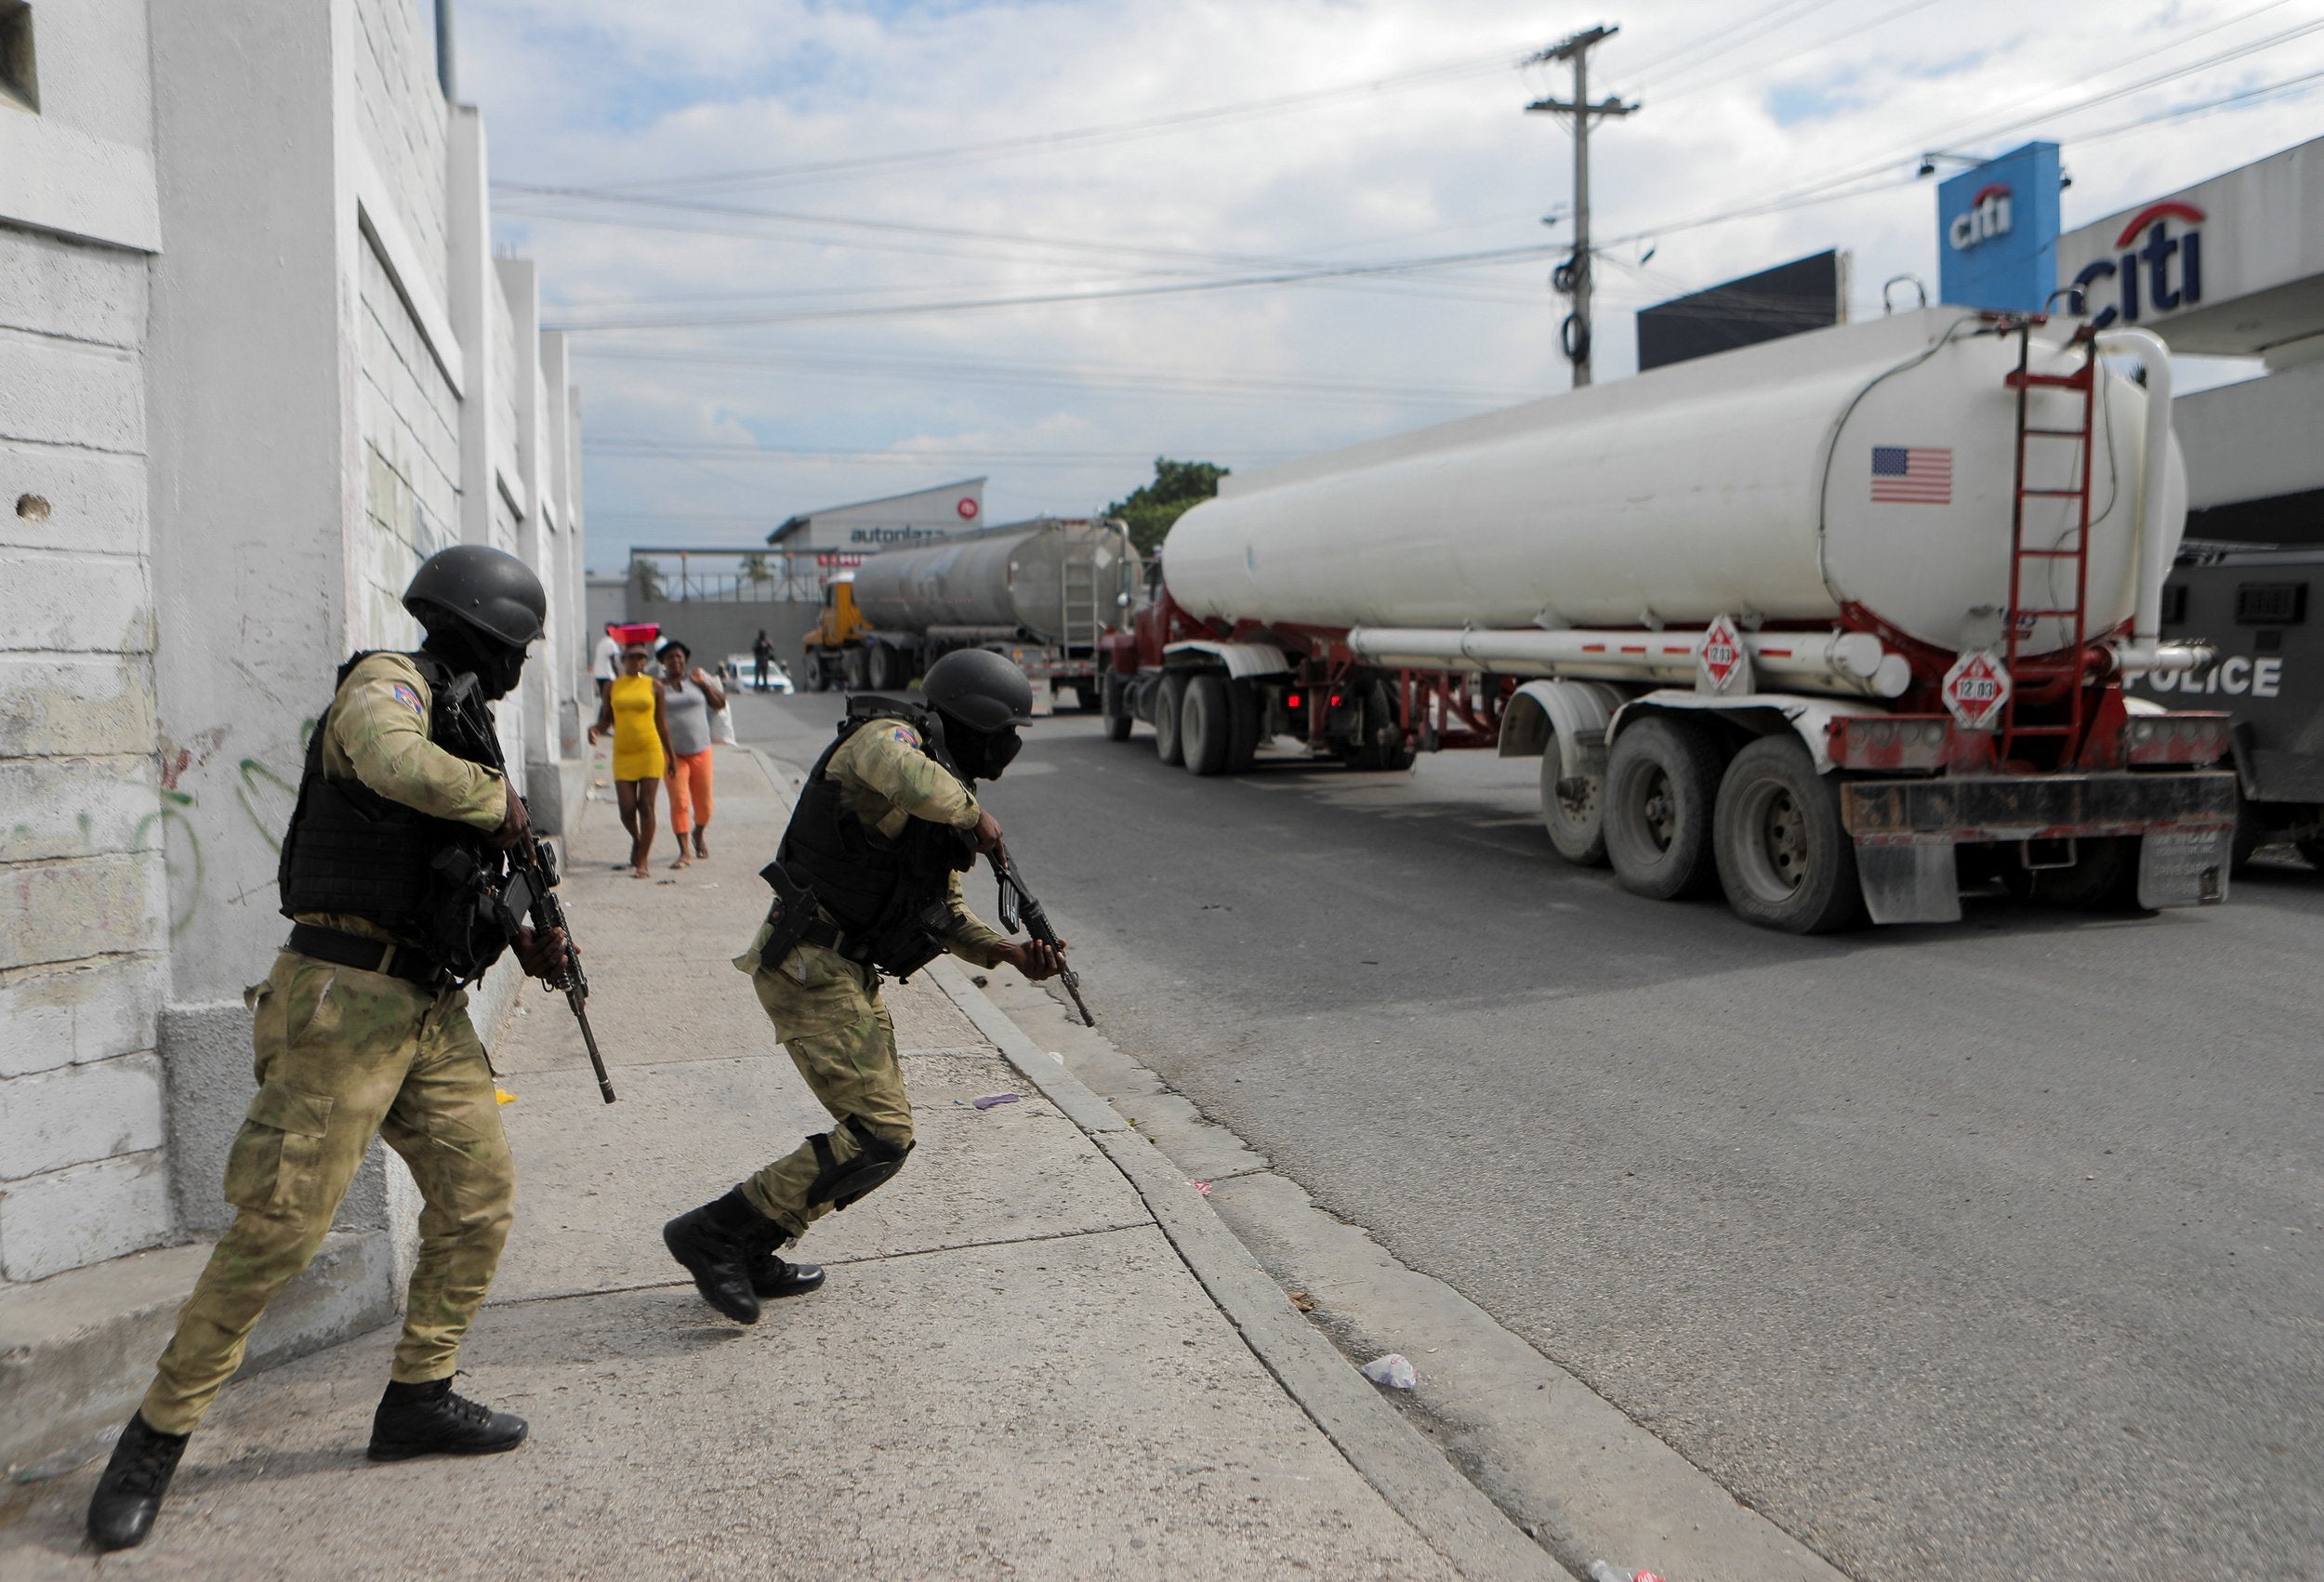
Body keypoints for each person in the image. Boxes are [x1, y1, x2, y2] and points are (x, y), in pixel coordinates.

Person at [86, 546, 573, 1552]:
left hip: (426, 1008)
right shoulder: (386, 683)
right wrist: (499, 804)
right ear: (491, 633)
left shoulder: (465, 713)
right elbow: (389, 761)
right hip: (342, 1000)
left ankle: (418, 1398)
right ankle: (156, 1437)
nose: (521, 661)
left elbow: (449, 871)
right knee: (279, 1228)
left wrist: (523, 923)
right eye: (519, 643)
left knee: (477, 1200)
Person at [662, 650, 1066, 1325]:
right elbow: (901, 774)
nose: (1014, 746)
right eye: (1007, 729)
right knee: (880, 1134)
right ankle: (715, 1231)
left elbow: (943, 910)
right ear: (972, 721)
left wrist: (1010, 953)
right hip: (807, 967)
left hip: (846, 974)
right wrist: (973, 817)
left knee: (881, 1139)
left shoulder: (942, 789)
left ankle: (753, 1240)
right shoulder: (889, 739)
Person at [588, 639, 673, 879]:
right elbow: (606, 720)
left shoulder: (655, 686)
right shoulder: (612, 687)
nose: (637, 661)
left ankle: (643, 862)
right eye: (632, 657)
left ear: (646, 661)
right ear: (622, 660)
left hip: (650, 751)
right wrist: (594, 729)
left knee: (646, 806)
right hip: (624, 753)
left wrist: (672, 756)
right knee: (627, 810)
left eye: (641, 657)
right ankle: (637, 839)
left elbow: (662, 724)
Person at [656, 638, 727, 867]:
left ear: (685, 660)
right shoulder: (658, 686)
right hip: (672, 755)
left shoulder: (697, 680)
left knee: (705, 805)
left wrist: (705, 684)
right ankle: (684, 851)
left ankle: (699, 833)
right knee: (679, 802)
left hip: (701, 751)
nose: (675, 660)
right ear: (663, 663)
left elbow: (720, 704)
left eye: (679, 656)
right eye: (670, 658)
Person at [591, 623, 621, 701]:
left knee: (605, 699)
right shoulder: (611, 643)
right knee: (609, 699)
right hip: (607, 675)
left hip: (599, 674)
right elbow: (613, 661)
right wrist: (619, 675)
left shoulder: (602, 641)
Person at [751, 628, 774, 692]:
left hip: (765, 660)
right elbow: (753, 648)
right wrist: (759, 644)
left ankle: (765, 687)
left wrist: (768, 643)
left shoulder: (766, 641)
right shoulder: (757, 641)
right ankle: (756, 688)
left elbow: (772, 648)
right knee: (757, 675)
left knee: (765, 675)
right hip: (759, 659)